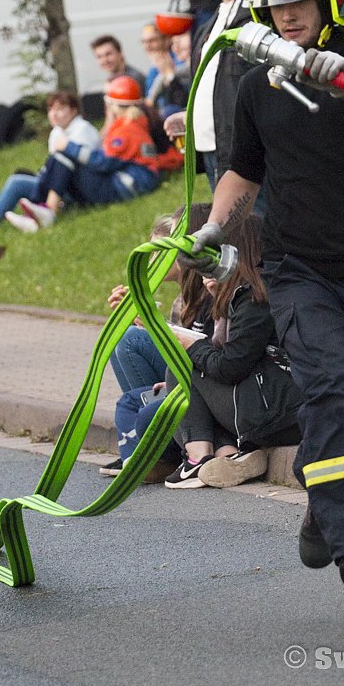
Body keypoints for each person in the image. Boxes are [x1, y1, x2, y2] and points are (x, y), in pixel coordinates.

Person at [181, 0, 344, 622]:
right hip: (297, 269)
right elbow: (241, 170)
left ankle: (323, 505)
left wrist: (338, 83)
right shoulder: (255, 85)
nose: (286, 16)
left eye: (301, 1)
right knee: (331, 389)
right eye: (275, 4)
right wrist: (213, 229)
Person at [163, 214, 303, 489]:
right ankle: (228, 455)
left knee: (180, 368)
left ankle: (198, 458)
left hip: (279, 414)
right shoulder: (251, 292)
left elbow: (230, 367)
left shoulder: (255, 298)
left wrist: (192, 345)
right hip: (280, 403)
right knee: (170, 390)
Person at [101, 202, 215, 479]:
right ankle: (144, 444)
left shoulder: (209, 286)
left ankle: (155, 446)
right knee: (123, 337)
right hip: (189, 371)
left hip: (205, 375)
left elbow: (192, 344)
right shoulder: (183, 296)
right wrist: (137, 314)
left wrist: (149, 321)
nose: (154, 261)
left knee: (131, 341)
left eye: (162, 252)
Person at [164, 0, 265, 215]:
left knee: (259, 237)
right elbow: (213, 84)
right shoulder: (208, 24)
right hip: (211, 149)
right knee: (235, 240)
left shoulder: (261, 15)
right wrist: (189, 114)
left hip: (247, 151)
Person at [5, 76, 163, 232]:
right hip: (130, 183)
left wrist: (69, 146)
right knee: (63, 158)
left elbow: (104, 162)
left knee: (64, 156)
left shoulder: (126, 129)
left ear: (113, 105)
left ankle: (47, 212)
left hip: (124, 187)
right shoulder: (133, 124)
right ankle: (40, 214)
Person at [0, 92, 99, 228]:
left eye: (60, 109)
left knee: (17, 183)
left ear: (73, 111)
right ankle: (31, 215)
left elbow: (75, 167)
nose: (54, 114)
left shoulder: (83, 130)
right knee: (20, 175)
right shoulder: (57, 132)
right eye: (51, 110)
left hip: (76, 189)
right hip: (60, 186)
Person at [140, 23, 190, 118]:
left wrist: (169, 73)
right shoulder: (152, 71)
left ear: (166, 40)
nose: (147, 46)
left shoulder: (179, 61)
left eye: (152, 41)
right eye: (144, 42)